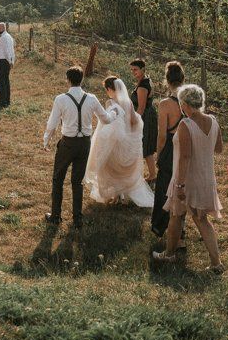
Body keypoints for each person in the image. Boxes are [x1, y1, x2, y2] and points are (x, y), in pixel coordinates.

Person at [153, 84, 224, 273]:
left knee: (181, 216)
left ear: (184, 103)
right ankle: (214, 262)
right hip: (206, 176)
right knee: (191, 218)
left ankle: (172, 254)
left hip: (187, 178)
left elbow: (185, 157)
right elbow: (219, 148)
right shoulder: (213, 121)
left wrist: (180, 185)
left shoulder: (186, 124)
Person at [41, 66, 115, 227]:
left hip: (68, 143)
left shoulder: (61, 99)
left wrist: (46, 140)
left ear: (68, 80)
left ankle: (56, 216)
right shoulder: (92, 98)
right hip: (85, 144)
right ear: (81, 79)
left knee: (58, 178)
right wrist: (115, 112)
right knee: (77, 181)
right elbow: (106, 119)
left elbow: (52, 123)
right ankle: (77, 218)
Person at [83, 76, 155, 207]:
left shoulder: (110, 103)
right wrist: (130, 134)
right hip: (126, 141)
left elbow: (107, 123)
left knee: (111, 169)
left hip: (114, 142)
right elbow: (134, 121)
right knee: (122, 171)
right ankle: (120, 196)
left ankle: (114, 195)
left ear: (109, 89)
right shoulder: (128, 102)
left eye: (106, 90)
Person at [151, 61, 186, 239]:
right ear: (182, 78)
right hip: (186, 146)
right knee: (182, 187)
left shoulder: (165, 104)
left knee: (165, 187)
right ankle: (180, 227)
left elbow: (162, 135)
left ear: (167, 79)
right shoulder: (191, 99)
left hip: (171, 146)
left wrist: (159, 154)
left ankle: (161, 225)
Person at [130, 59, 158, 182]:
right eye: (132, 70)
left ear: (142, 69)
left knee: (145, 146)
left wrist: (134, 122)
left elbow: (141, 107)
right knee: (146, 147)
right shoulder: (145, 80)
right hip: (149, 115)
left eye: (135, 69)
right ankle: (152, 174)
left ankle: (151, 175)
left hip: (144, 117)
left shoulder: (142, 86)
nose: (133, 72)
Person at [0, 22, 15, 107]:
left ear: (3, 28)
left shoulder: (4, 37)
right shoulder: (8, 36)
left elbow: (7, 51)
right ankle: (7, 101)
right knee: (6, 81)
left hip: (4, 61)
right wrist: (11, 61)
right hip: (6, 60)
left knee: (1, 82)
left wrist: (10, 61)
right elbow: (12, 50)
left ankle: (3, 102)